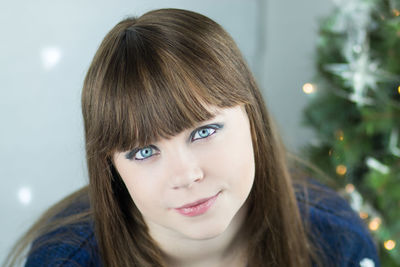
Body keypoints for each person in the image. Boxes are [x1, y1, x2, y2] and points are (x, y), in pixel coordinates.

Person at [5, 8, 379, 267]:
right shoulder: (65, 259)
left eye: (204, 131)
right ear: (111, 168)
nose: (185, 175)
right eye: (144, 151)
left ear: (253, 119)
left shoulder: (336, 241)